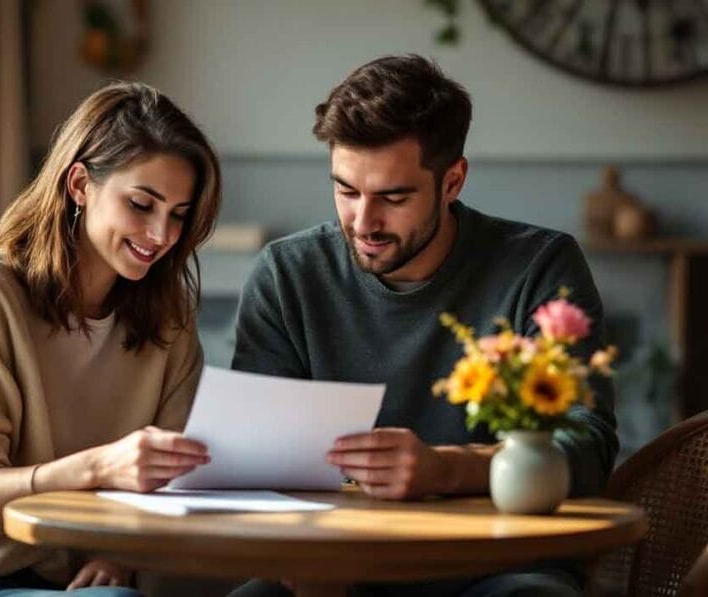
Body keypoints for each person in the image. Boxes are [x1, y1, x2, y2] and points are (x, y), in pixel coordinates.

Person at [229, 55, 617, 596]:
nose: (363, 223)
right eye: (346, 190)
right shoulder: (286, 274)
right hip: (328, 568)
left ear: (452, 181)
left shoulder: (538, 267)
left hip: (498, 569)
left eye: (393, 197)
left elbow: (587, 446)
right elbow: (253, 464)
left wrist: (445, 469)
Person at [0, 81, 221, 597]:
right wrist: (100, 467)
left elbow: (174, 482)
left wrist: (117, 555)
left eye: (178, 214)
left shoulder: (168, 319)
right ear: (80, 184)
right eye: (141, 204)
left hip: (91, 581)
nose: (161, 236)